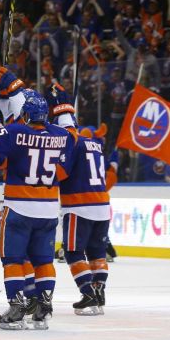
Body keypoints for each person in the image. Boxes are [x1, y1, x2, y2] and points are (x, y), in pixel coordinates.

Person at [0, 55, 75, 330]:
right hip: (49, 209)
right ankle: (44, 306)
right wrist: (63, 106)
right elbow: (72, 133)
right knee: (43, 260)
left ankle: (16, 305)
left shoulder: (13, 132)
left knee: (12, 258)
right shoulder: (62, 135)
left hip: (20, 207)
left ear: (25, 114)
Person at [45, 84, 116, 316]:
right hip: (102, 205)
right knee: (97, 253)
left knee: (74, 252)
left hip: (79, 206)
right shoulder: (95, 143)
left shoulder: (71, 141)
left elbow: (61, 173)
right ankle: (99, 292)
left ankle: (87, 293)